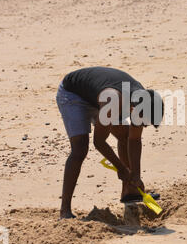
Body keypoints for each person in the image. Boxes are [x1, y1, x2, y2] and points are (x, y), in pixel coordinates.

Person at [56, 66, 164, 219]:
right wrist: (121, 168)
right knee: (80, 149)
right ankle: (65, 211)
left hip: (98, 96)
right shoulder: (114, 102)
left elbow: (134, 139)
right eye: (143, 122)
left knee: (125, 136)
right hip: (73, 94)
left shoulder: (143, 98)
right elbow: (99, 142)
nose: (142, 126)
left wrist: (136, 175)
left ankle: (129, 191)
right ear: (133, 108)